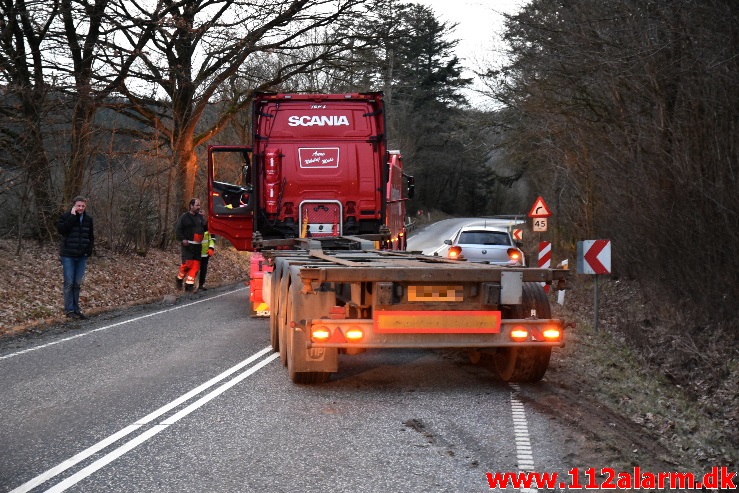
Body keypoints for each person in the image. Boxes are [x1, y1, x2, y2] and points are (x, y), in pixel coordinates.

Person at [57, 196, 94, 319]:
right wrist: (73, 217)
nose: (81, 208)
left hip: (81, 256)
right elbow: (62, 230)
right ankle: (69, 310)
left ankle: (76, 309)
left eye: (83, 206)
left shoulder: (88, 219)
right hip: (68, 255)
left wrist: (88, 250)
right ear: (74, 205)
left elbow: (91, 236)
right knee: (69, 282)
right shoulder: (66, 216)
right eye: (79, 205)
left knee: (77, 283)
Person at [175, 198, 207, 291]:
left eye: (199, 205)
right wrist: (183, 239)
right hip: (187, 245)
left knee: (196, 266)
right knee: (187, 264)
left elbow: (205, 229)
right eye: (197, 205)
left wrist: (205, 219)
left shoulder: (200, 217)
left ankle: (189, 285)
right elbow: (178, 230)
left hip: (197, 246)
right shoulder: (184, 217)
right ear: (191, 206)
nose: (199, 207)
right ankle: (179, 279)